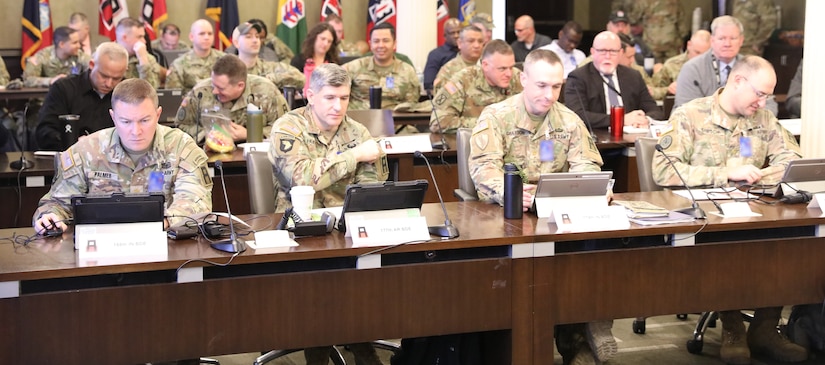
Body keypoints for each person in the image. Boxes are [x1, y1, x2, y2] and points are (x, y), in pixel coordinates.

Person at [652, 55, 806, 364]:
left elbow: (791, 160)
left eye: (768, 95)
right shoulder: (690, 116)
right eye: (759, 93)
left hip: (755, 210)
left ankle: (764, 328)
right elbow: (664, 170)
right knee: (730, 246)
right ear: (737, 82)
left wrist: (759, 177)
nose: (763, 102)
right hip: (707, 217)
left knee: (790, 241)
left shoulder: (763, 120)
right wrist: (725, 174)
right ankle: (732, 327)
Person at [468, 49, 610, 365]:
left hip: (553, 215)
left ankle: (578, 336)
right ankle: (525, 345)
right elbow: (483, 170)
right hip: (506, 216)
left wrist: (587, 185)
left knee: (586, 257)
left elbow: (586, 163)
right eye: (542, 85)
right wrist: (511, 191)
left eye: (556, 87)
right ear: (523, 80)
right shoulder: (496, 117)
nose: (549, 95)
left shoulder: (568, 120)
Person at [268, 63, 387, 365]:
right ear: (310, 95)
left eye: (344, 98)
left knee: (371, 271)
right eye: (330, 97)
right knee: (321, 279)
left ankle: (360, 342)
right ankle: (319, 352)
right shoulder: (288, 127)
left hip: (345, 225)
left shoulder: (356, 130)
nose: (338, 106)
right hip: (299, 227)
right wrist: (354, 155)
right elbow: (303, 178)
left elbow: (371, 187)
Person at [32, 78, 212, 233]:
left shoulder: (181, 147)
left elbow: (196, 201)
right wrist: (50, 217)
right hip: (99, 249)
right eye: (126, 121)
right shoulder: (86, 150)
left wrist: (163, 224)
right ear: (113, 116)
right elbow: (57, 202)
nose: (136, 131)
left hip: (165, 243)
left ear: (158, 115)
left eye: (145, 120)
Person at [675, 16, 779, 116]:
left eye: (733, 38)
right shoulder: (692, 69)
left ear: (741, 40)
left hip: (746, 128)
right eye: (721, 38)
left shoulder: (753, 68)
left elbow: (770, 107)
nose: (727, 44)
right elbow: (687, 109)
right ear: (712, 40)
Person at [174, 55, 288, 144]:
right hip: (211, 157)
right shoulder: (200, 92)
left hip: (257, 157)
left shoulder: (267, 91)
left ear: (240, 86)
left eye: (220, 88)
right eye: (213, 85)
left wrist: (252, 134)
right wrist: (208, 134)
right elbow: (180, 126)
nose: (214, 91)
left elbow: (286, 129)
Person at [36, 42, 129, 151]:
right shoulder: (64, 89)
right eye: (104, 76)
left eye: (116, 78)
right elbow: (44, 132)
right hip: (72, 158)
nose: (109, 83)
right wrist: (73, 142)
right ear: (91, 65)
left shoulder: (127, 93)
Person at [564, 31, 663, 130]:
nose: (608, 56)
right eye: (602, 51)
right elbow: (577, 115)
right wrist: (621, 120)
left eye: (613, 52)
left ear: (620, 53)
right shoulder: (578, 78)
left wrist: (645, 120)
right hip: (596, 139)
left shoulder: (633, 76)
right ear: (593, 52)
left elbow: (655, 110)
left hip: (632, 138)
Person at [430, 40, 522, 133]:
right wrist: (487, 123)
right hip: (472, 143)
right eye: (502, 69)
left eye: (511, 67)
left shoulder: (518, 77)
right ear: (485, 65)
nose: (509, 74)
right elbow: (438, 122)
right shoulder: (463, 80)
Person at [343, 23, 420, 111]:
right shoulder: (354, 67)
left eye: (386, 41)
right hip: (359, 121)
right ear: (370, 44)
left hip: (396, 122)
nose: (381, 45)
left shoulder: (407, 71)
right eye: (376, 41)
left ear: (394, 44)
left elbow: (411, 103)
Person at [232, 22, 304, 90]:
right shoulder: (229, 70)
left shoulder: (269, 67)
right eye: (248, 37)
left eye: (257, 36)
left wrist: (270, 79)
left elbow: (301, 78)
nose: (255, 40)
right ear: (236, 43)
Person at [166, 19, 226, 95]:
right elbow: (174, 96)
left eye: (210, 34)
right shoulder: (179, 64)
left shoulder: (224, 60)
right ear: (191, 37)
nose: (206, 37)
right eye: (202, 34)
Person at [23, 26, 91, 87]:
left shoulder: (79, 55)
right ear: (61, 44)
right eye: (74, 43)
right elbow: (27, 79)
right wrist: (51, 81)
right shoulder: (43, 56)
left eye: (79, 42)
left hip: (72, 98)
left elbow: (93, 70)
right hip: (46, 98)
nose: (79, 46)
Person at [651, 30, 711, 96]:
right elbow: (652, 91)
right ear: (689, 45)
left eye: (705, 54)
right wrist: (668, 90)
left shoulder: (716, 65)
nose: (700, 57)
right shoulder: (671, 65)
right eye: (697, 52)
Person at [291, 22, 339, 95]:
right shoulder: (298, 60)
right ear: (314, 38)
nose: (326, 44)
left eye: (329, 41)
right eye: (323, 39)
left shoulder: (335, 63)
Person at [432, 25, 485, 90]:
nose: (477, 45)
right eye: (471, 41)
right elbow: (440, 98)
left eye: (480, 41)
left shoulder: (489, 66)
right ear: (459, 43)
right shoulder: (448, 70)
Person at [114, 17, 160, 88]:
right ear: (125, 38)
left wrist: (143, 61)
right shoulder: (104, 56)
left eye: (143, 37)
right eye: (139, 37)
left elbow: (151, 91)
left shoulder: (148, 58)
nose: (144, 41)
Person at [422, 18, 460, 91]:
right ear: (445, 36)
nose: (456, 36)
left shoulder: (468, 53)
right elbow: (429, 84)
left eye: (459, 32)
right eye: (452, 33)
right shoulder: (436, 54)